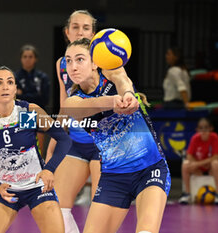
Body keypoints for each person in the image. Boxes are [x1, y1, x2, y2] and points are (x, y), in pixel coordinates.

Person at [62, 38, 171, 233]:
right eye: (68, 61)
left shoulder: (112, 72)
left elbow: (123, 81)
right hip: (113, 177)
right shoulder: (73, 101)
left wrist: (128, 94)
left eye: (79, 59)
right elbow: (84, 108)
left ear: (95, 62)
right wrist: (113, 101)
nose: (73, 67)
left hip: (149, 169)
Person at [46, 10, 139, 233]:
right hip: (76, 143)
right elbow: (64, 104)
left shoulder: (108, 60)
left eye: (86, 28)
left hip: (106, 146)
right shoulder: (63, 65)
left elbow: (125, 86)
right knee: (55, 206)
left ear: (94, 33)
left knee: (102, 215)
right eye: (76, 27)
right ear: (67, 32)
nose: (81, 31)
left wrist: (127, 98)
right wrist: (56, 137)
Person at [0, 66, 72, 233]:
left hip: (37, 187)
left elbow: (63, 139)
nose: (5, 87)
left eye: (10, 82)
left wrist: (49, 169)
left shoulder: (26, 113)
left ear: (15, 89)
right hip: (8, 188)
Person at [179, 117, 218, 205]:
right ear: (197, 129)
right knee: (185, 164)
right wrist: (197, 165)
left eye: (206, 127)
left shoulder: (214, 137)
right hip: (198, 169)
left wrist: (199, 163)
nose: (203, 130)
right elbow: (189, 156)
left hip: (210, 167)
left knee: (215, 163)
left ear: (211, 128)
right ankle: (187, 194)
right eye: (201, 128)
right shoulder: (195, 138)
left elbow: (215, 157)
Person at [15, 44, 50, 155]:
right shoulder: (15, 77)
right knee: (25, 151)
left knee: (38, 151)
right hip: (23, 113)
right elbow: (14, 98)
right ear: (21, 59)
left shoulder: (42, 77)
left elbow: (44, 99)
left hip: (39, 112)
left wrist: (22, 94)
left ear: (35, 59)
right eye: (25, 56)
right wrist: (34, 95)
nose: (27, 59)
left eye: (30, 56)